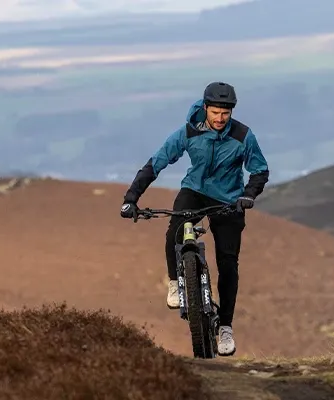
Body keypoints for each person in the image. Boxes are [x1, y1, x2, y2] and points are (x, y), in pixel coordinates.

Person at [117, 81, 269, 357]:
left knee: (227, 263)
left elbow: (260, 170)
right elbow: (157, 163)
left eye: (225, 113)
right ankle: (176, 283)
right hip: (195, 192)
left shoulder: (243, 136)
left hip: (229, 199)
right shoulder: (189, 131)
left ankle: (225, 327)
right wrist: (131, 198)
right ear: (206, 108)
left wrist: (248, 195)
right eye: (215, 112)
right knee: (174, 230)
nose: (220, 119)